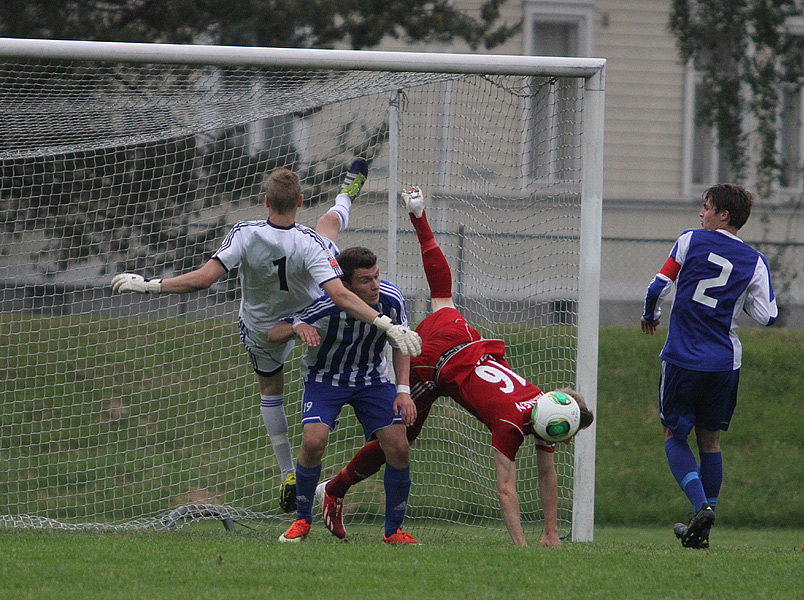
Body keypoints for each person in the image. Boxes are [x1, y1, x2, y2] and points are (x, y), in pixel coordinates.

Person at [111, 161, 421, 512]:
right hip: (311, 317)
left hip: (264, 327)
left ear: (266, 201)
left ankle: (289, 472)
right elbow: (341, 296)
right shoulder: (310, 244)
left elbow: (202, 279)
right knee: (329, 227)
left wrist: (149, 285)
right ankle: (344, 196)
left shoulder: (244, 233)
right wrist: (386, 323)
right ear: (300, 201)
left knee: (272, 389)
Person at [315, 188, 594, 547]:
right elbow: (507, 489)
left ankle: (353, 501)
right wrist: (523, 548)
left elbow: (547, 472)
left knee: (443, 298)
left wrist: (552, 533)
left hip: (468, 344)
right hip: (431, 364)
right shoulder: (514, 422)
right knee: (400, 438)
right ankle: (335, 491)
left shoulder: (545, 404)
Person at [641, 183, 777, 550]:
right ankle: (703, 530)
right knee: (711, 441)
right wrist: (736, 299)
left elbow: (658, 286)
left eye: (706, 207)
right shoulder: (754, 262)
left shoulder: (691, 241)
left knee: (673, 434)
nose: (700, 214)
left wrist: (650, 315)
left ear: (723, 215)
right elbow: (768, 316)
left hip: (683, 357)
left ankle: (700, 506)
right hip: (723, 363)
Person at [269, 246, 419, 544]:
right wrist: (297, 326)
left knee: (399, 447)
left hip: (372, 381)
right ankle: (301, 521)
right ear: (346, 283)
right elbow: (272, 332)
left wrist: (403, 391)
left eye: (376, 276)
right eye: (365, 280)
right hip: (325, 380)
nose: (375, 285)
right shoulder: (324, 304)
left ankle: (393, 532)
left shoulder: (391, 299)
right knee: (313, 441)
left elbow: (401, 343)